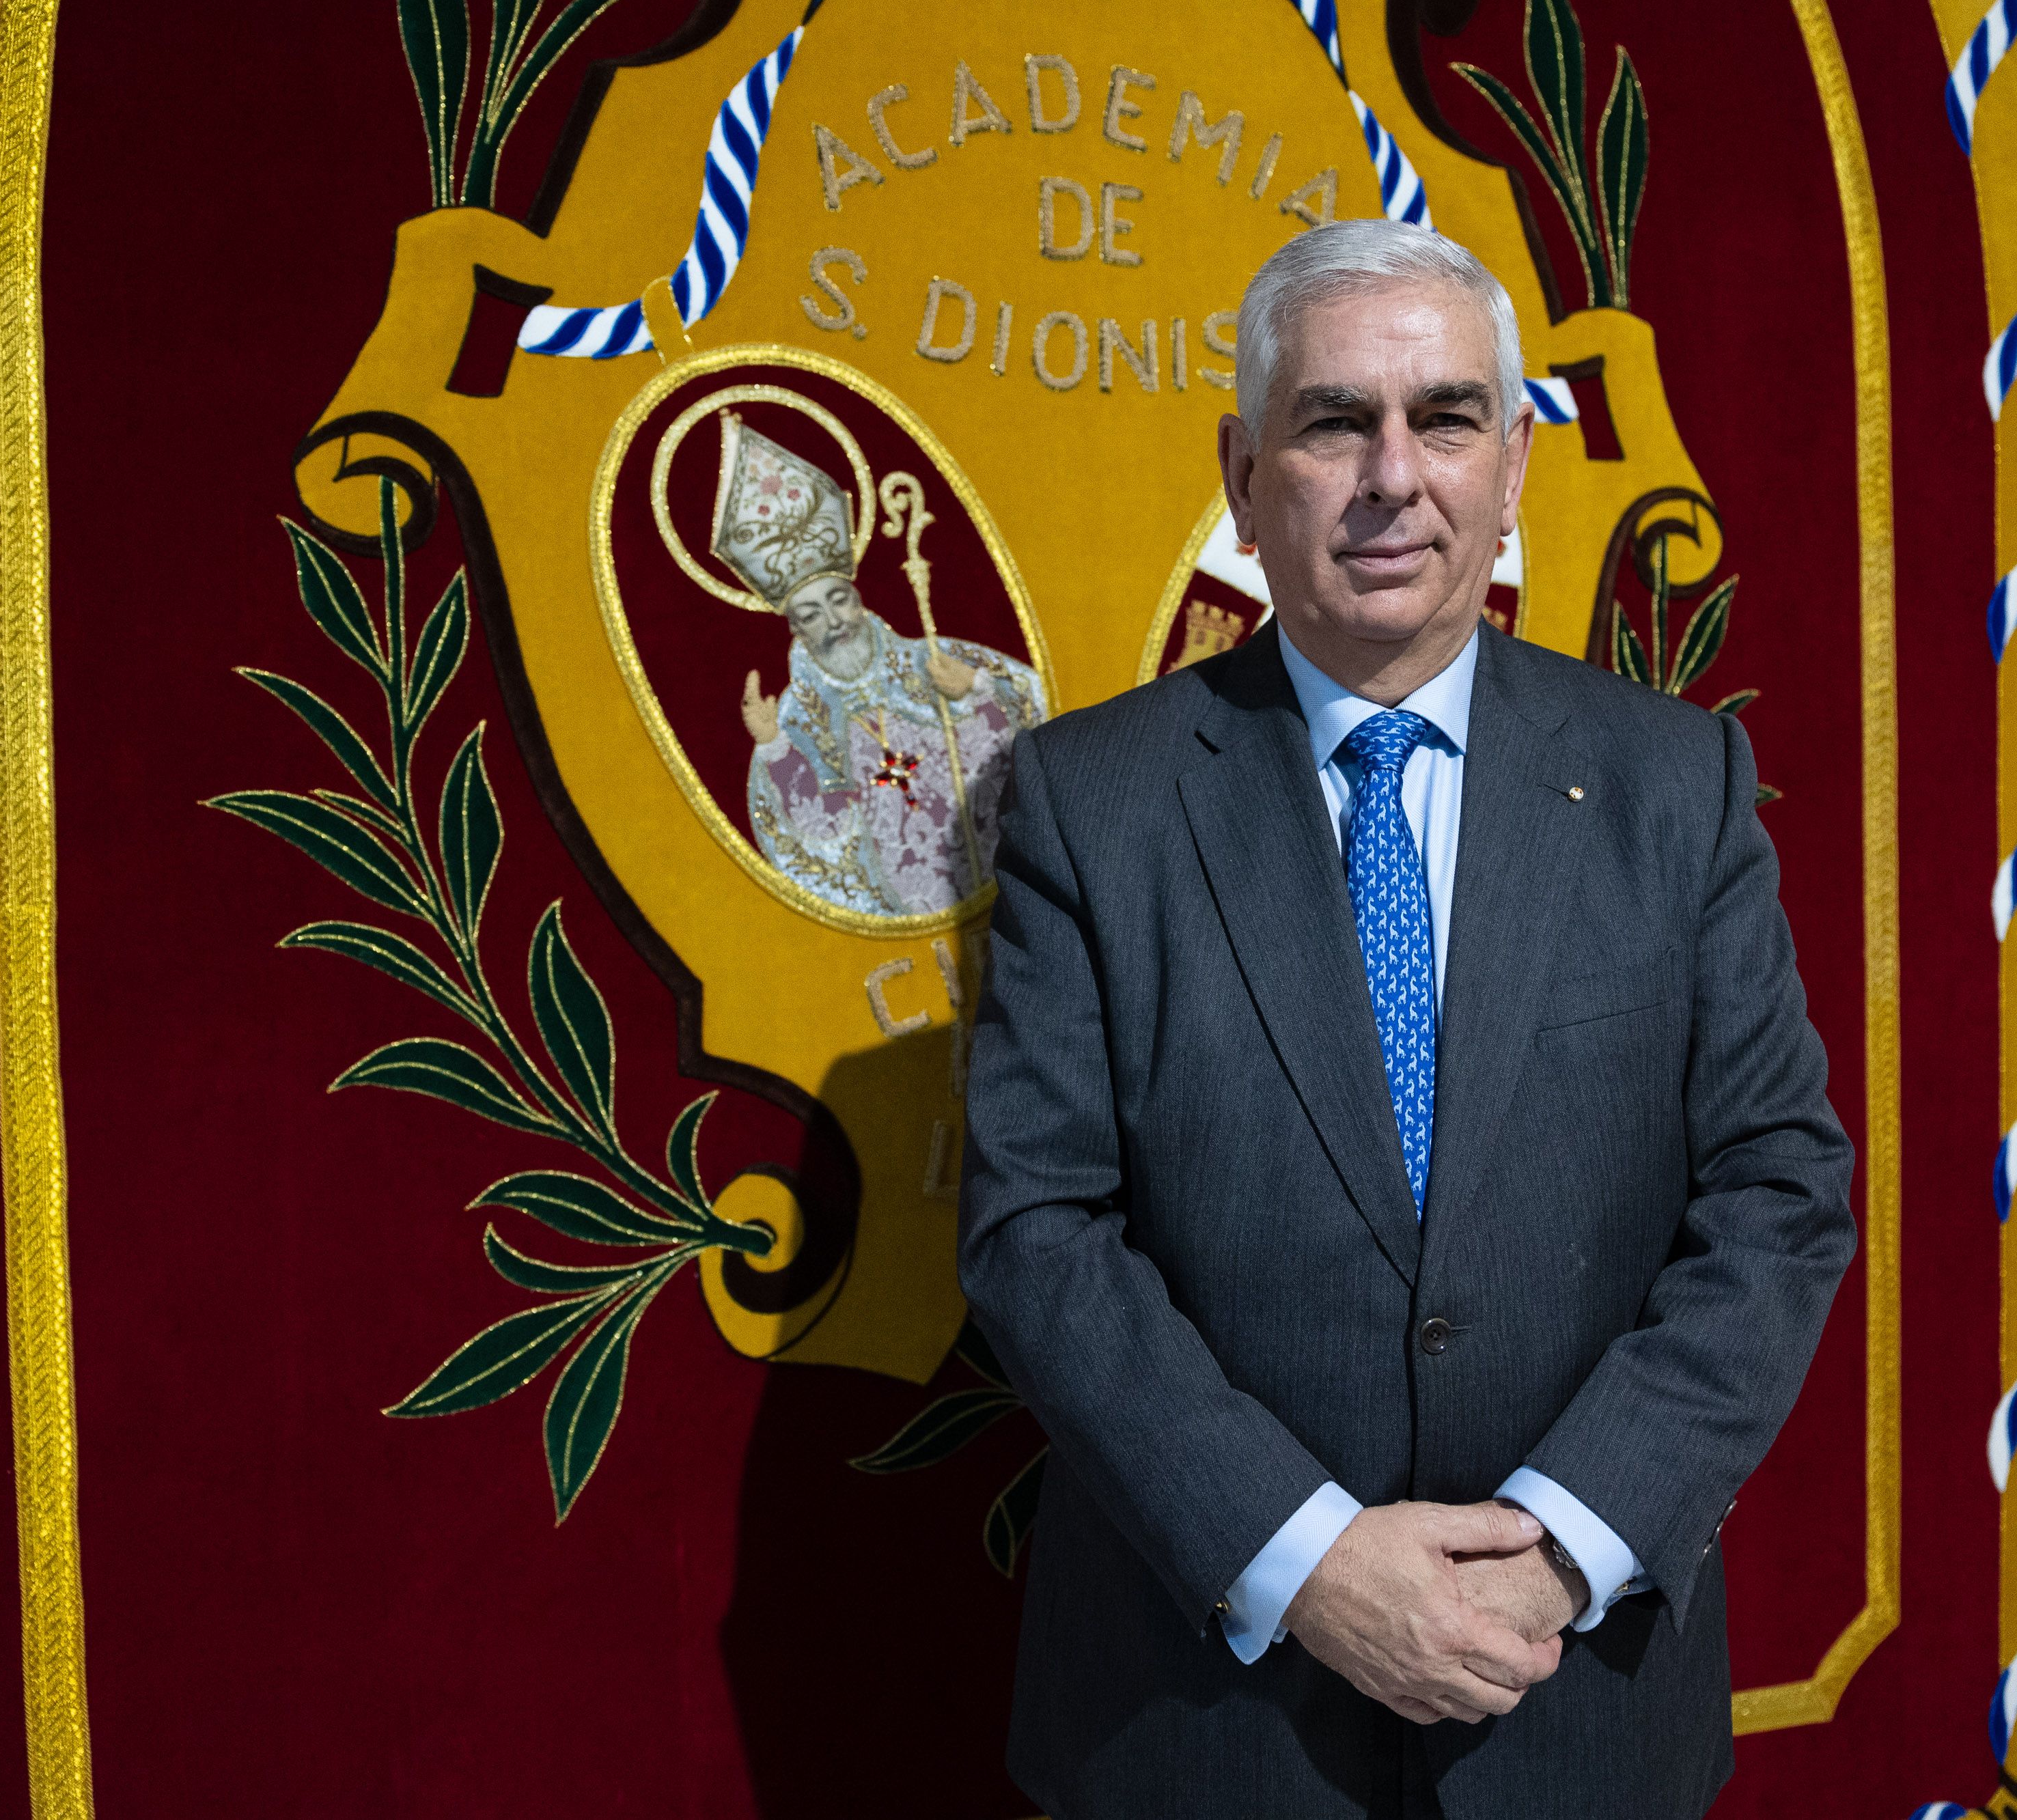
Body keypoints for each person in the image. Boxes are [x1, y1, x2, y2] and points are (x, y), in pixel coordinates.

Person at [957, 219, 1856, 1817]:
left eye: (1443, 418)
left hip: (1571, 1713)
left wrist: (1560, 1551)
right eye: (1331, 423)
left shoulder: (1675, 785)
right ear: (1242, 478)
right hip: (1202, 1733)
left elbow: (1779, 1204)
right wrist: (1301, 1563)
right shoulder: (1089, 805)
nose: (1391, 474)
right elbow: (1038, 1232)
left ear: (1511, 467)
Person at [710, 417, 1046, 917]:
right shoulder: (796, 720)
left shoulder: (932, 660)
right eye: (811, 615)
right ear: (797, 632)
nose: (834, 621)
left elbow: (1035, 737)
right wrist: (775, 748)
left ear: (859, 598)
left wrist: (977, 691)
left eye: (839, 600)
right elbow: (820, 838)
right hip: (904, 905)